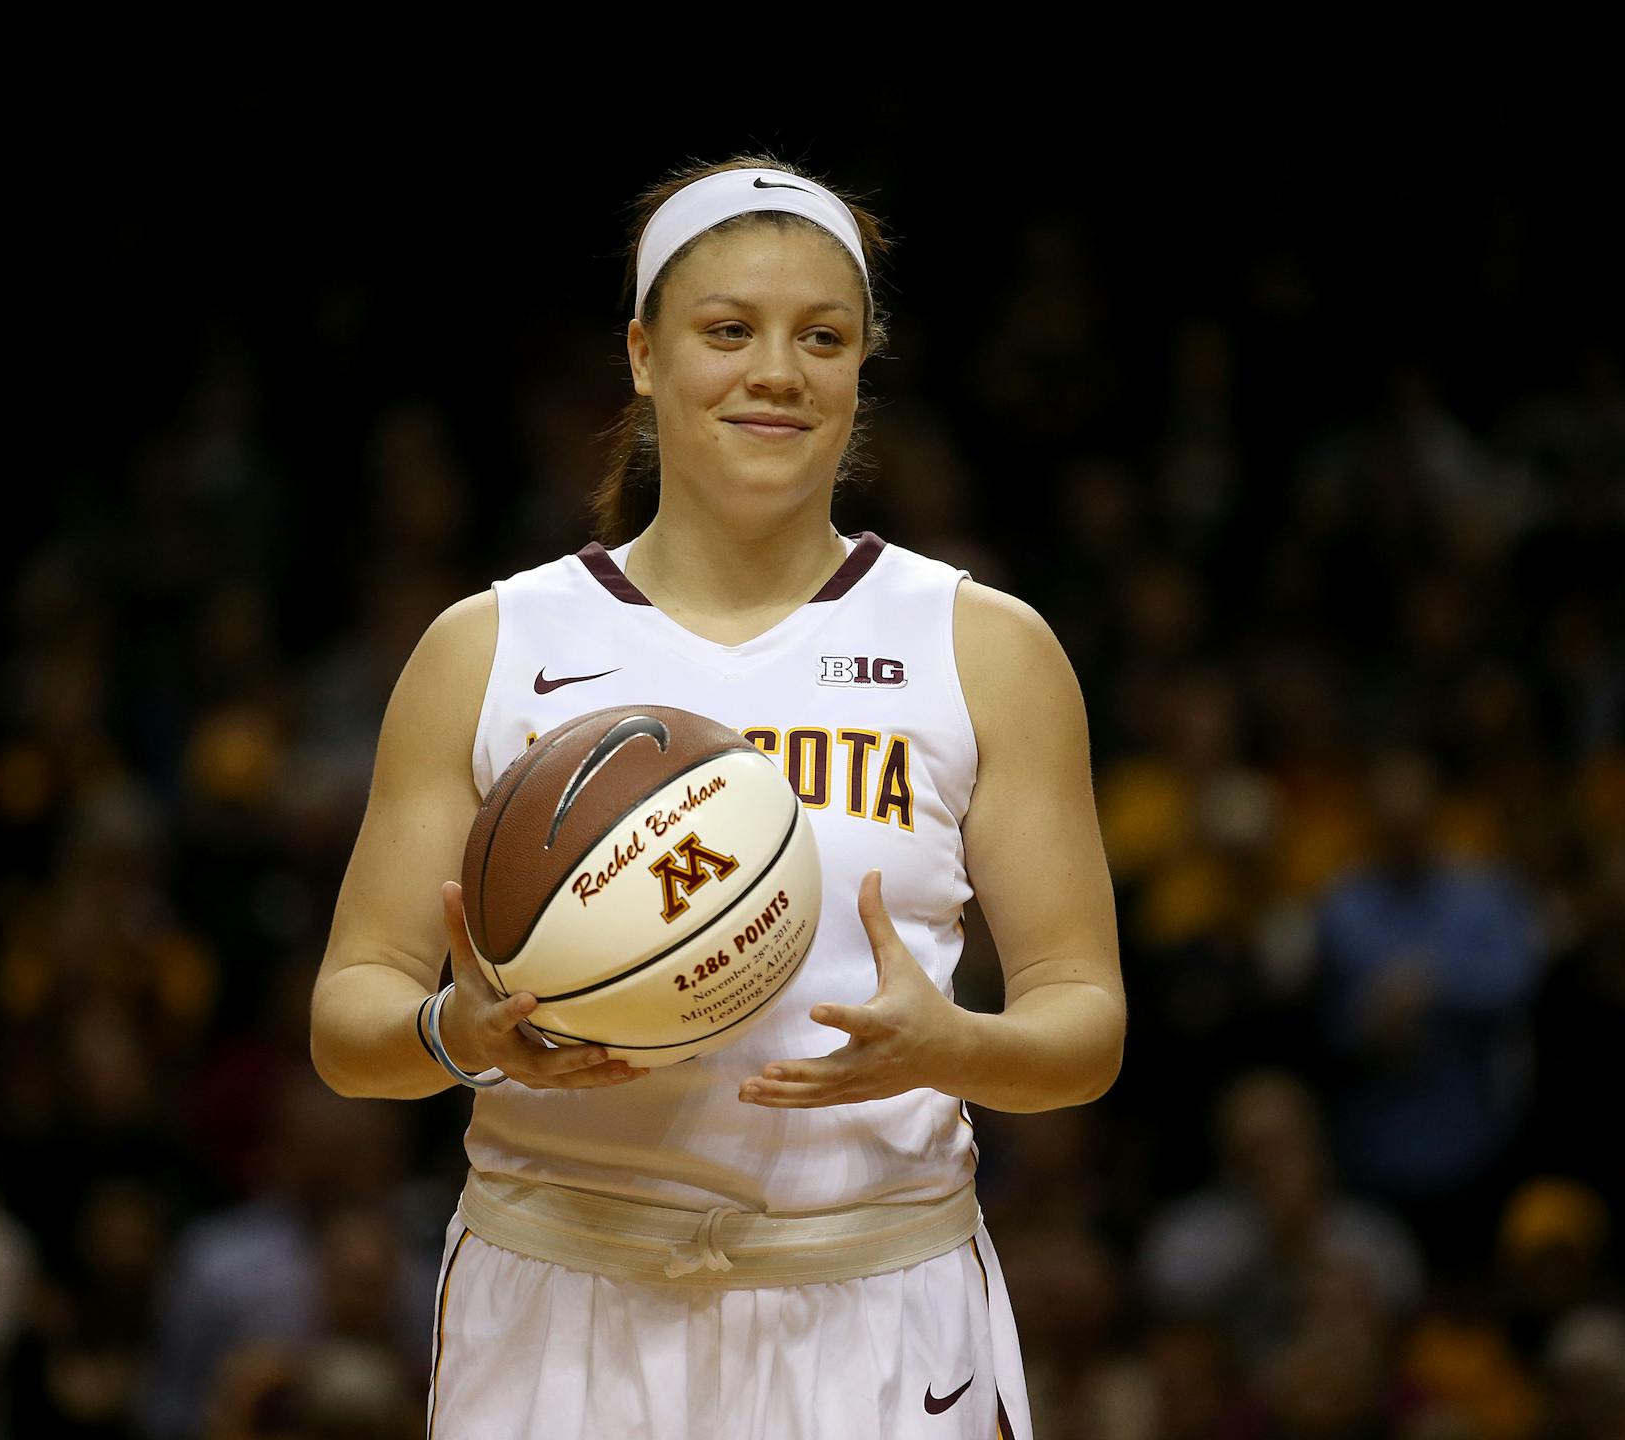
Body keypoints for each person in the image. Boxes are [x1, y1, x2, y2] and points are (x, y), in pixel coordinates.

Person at [309, 156, 1127, 1440]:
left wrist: (951, 1048)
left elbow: (1085, 1025)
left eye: (823, 337)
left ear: (862, 367)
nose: (777, 372)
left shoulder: (983, 645)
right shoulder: (491, 644)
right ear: (642, 355)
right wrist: (458, 1034)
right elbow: (348, 1019)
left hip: (875, 1298)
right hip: (560, 1295)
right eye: (729, 330)